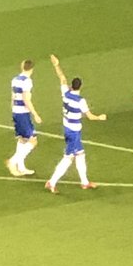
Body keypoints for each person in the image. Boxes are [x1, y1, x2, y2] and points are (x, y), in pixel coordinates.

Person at [46, 53, 106, 193]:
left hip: (68, 128)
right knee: (68, 158)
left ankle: (84, 182)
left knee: (80, 154)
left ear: (71, 86)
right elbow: (90, 116)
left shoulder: (65, 93)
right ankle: (51, 182)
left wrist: (56, 65)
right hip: (73, 132)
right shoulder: (80, 101)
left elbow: (62, 78)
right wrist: (100, 117)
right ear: (80, 87)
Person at [7, 59, 43, 178]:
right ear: (32, 69)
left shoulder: (15, 79)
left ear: (22, 67)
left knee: (22, 140)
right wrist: (35, 114)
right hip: (23, 113)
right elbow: (26, 99)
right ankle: (12, 161)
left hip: (16, 111)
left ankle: (21, 168)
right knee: (33, 141)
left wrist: (13, 111)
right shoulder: (27, 82)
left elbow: (13, 97)